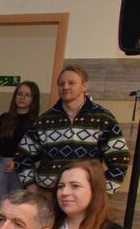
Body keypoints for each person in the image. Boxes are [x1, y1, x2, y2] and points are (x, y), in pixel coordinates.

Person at [16, 65, 131, 193]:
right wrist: (30, 185)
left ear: (84, 86)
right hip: (48, 195)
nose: (65, 87)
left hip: (86, 195)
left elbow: (120, 159)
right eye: (61, 84)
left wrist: (104, 192)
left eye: (71, 83)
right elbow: (22, 156)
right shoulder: (44, 120)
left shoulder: (102, 118)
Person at [0, 81, 40, 205]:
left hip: (23, 166)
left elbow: (38, 150)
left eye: (27, 95)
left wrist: (18, 160)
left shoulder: (36, 122)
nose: (22, 97)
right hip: (2, 164)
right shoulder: (5, 117)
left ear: (33, 99)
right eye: (19, 94)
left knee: (16, 203)